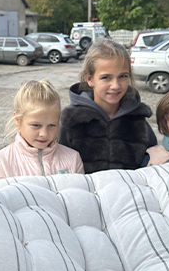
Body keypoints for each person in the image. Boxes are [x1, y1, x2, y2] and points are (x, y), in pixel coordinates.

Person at [60, 38, 157, 173]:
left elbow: (151, 168)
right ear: (90, 79)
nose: (116, 85)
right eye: (106, 77)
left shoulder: (139, 121)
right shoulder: (71, 122)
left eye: (122, 76)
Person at [0, 79, 84, 181]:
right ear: (18, 120)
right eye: (36, 125)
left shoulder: (73, 158)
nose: (44, 134)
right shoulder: (1, 162)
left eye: (52, 125)